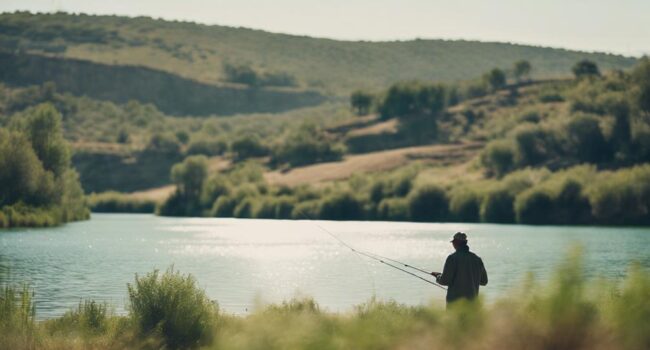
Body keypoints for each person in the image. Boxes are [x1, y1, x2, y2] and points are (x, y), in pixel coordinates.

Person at [431, 232, 487, 305]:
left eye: (453, 242)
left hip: (455, 305)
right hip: (473, 305)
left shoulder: (452, 258)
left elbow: (445, 281)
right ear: (465, 243)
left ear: (456, 243)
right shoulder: (477, 259)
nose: (453, 244)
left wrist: (438, 276)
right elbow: (484, 281)